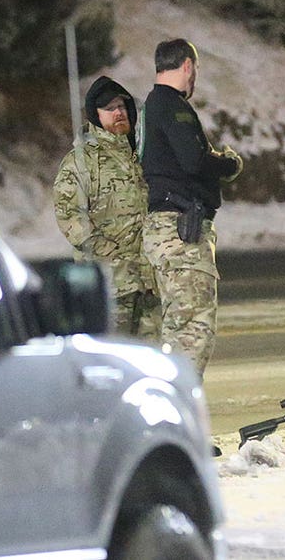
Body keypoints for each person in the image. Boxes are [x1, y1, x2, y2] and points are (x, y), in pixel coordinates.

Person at [140, 38, 242, 376]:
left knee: (177, 325)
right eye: (193, 69)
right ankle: (174, 412)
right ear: (187, 66)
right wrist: (227, 164)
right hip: (180, 229)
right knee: (192, 329)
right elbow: (193, 161)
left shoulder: (152, 106)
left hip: (166, 228)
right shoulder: (172, 106)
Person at [53, 75, 159, 338]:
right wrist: (106, 251)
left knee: (151, 359)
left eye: (122, 107)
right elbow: (69, 215)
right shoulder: (82, 161)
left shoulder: (142, 153)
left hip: (149, 282)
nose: (118, 113)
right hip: (111, 284)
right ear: (95, 115)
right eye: (109, 108)